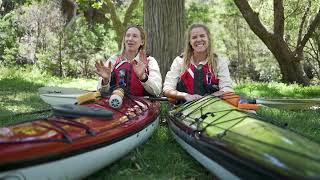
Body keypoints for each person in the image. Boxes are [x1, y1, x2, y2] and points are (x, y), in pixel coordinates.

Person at [163, 23, 234, 103]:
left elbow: (227, 89)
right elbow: (167, 89)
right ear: (189, 42)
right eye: (194, 37)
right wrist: (186, 96)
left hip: (213, 108)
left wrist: (207, 99)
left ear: (208, 39)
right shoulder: (180, 61)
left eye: (202, 36)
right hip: (184, 109)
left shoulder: (219, 61)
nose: (199, 40)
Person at [95, 24, 162, 97]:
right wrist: (105, 80)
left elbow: (157, 91)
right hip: (116, 103)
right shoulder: (113, 60)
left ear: (142, 42)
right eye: (128, 35)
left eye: (135, 36)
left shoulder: (150, 61)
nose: (130, 39)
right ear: (124, 40)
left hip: (143, 105)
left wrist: (143, 77)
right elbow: (101, 91)